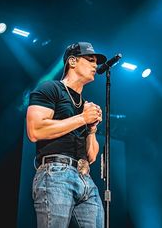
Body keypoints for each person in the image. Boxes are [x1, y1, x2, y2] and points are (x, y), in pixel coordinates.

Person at [26, 41, 107, 228]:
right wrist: (82, 118)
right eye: (90, 60)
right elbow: (35, 131)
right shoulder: (50, 88)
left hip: (85, 177)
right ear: (72, 61)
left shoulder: (86, 105)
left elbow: (92, 156)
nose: (95, 65)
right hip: (55, 173)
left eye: (96, 61)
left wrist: (92, 128)